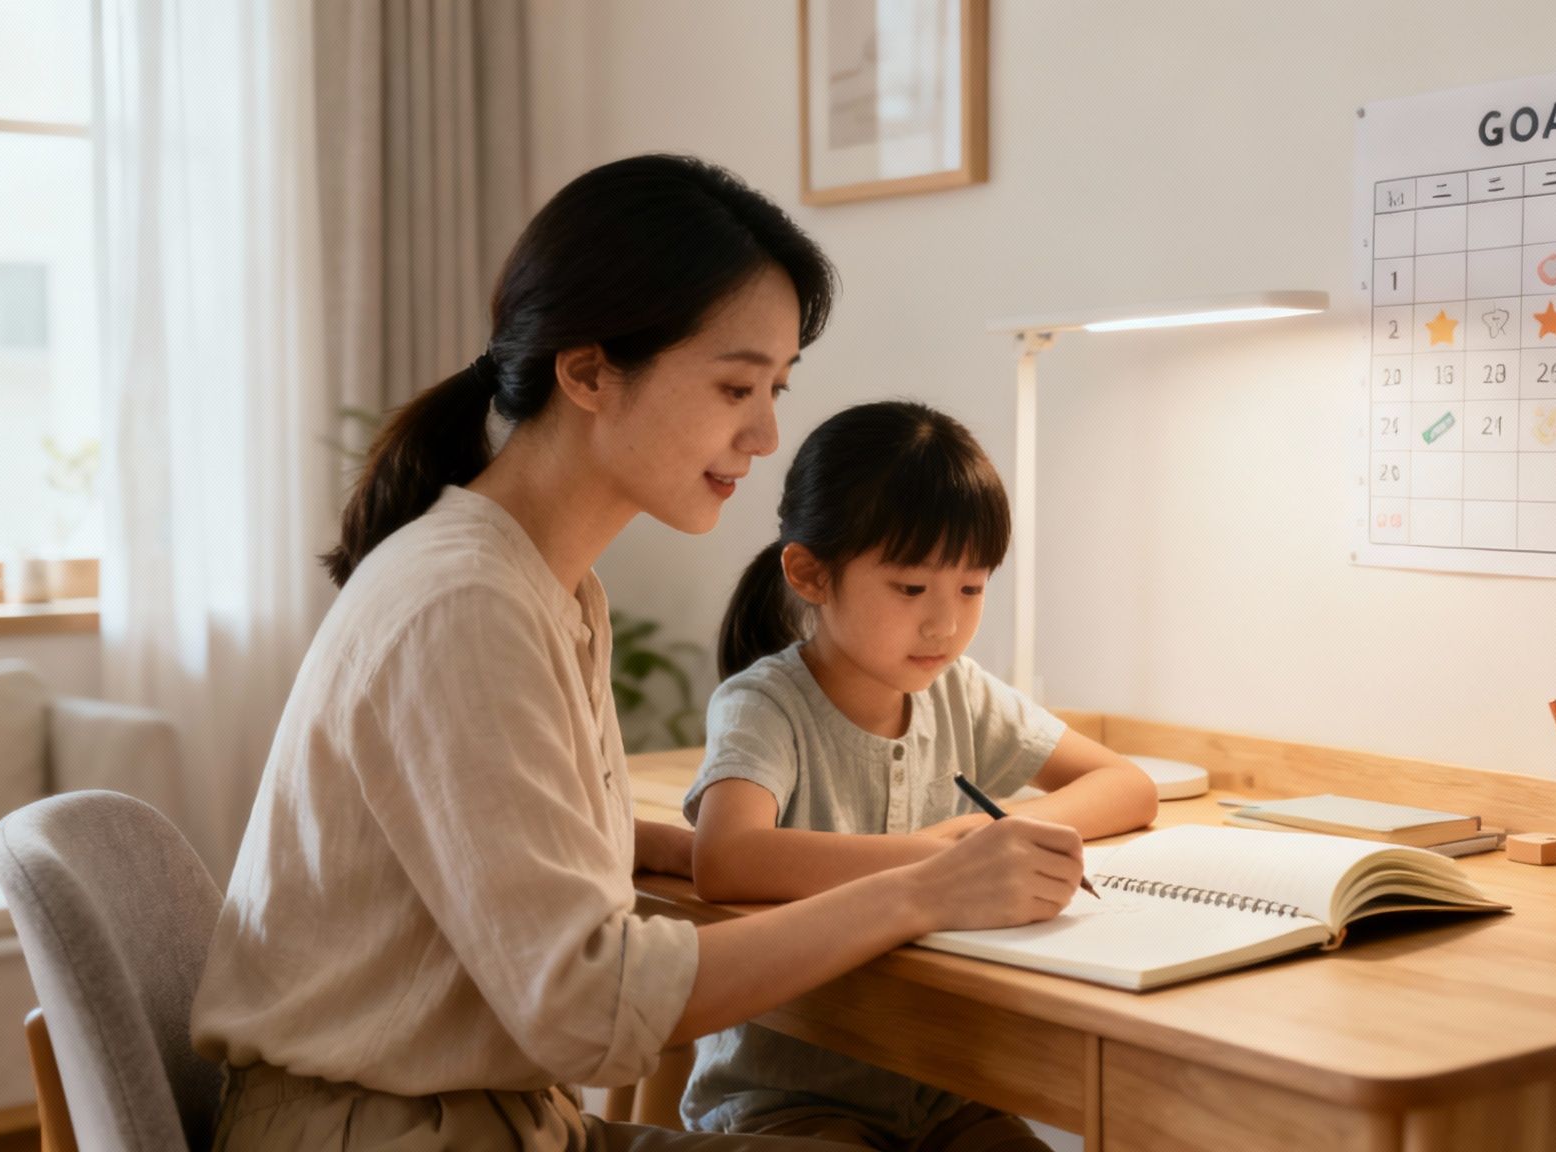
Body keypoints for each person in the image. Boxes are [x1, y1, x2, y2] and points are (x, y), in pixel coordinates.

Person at [188, 154, 1088, 1152]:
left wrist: (647, 840)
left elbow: (513, 845)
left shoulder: (539, 581)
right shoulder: (467, 601)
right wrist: (921, 886)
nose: (764, 432)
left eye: (776, 386)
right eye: (735, 385)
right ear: (586, 371)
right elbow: (581, 1005)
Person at [680, 401, 1160, 1151]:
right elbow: (726, 859)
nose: (946, 624)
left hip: (944, 1093)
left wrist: (983, 829)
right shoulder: (766, 704)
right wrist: (944, 857)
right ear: (811, 573)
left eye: (970, 588)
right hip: (787, 1096)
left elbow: (1128, 786)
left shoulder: (957, 691)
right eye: (911, 590)